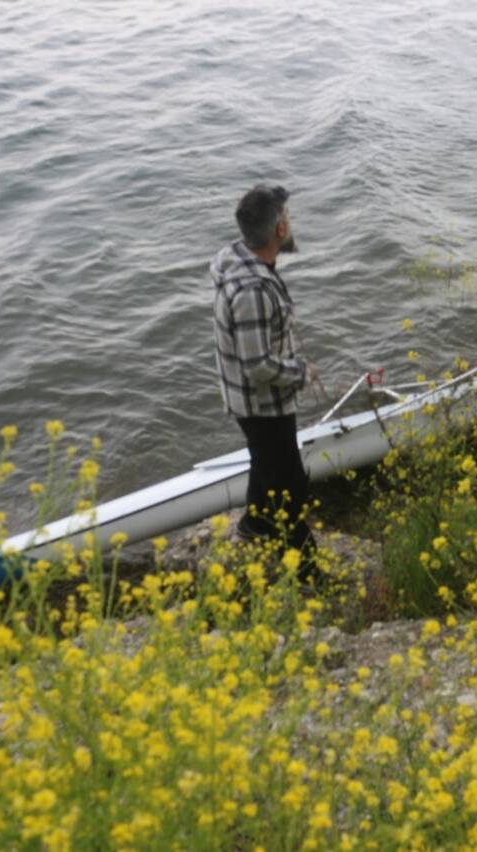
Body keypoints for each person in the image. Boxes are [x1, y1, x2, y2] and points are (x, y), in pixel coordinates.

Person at [211, 184, 320, 582]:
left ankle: (255, 524)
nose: (291, 224)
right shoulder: (253, 291)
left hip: (250, 397)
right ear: (277, 231)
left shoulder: (238, 259)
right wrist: (301, 372)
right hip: (261, 401)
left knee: (265, 460)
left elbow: (254, 355)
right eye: (287, 219)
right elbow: (257, 365)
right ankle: (309, 577)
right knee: (290, 487)